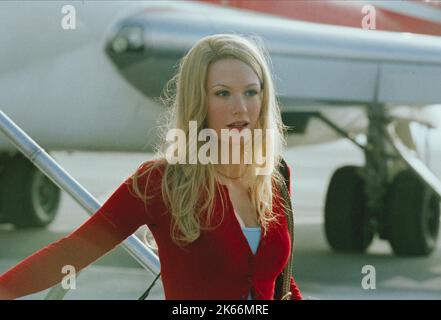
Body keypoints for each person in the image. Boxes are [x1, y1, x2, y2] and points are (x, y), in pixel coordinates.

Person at [0, 34, 302, 300]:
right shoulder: (161, 181)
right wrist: (5, 289)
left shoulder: (274, 176)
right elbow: (73, 251)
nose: (242, 107)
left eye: (251, 91)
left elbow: (277, 280)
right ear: (199, 102)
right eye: (223, 93)